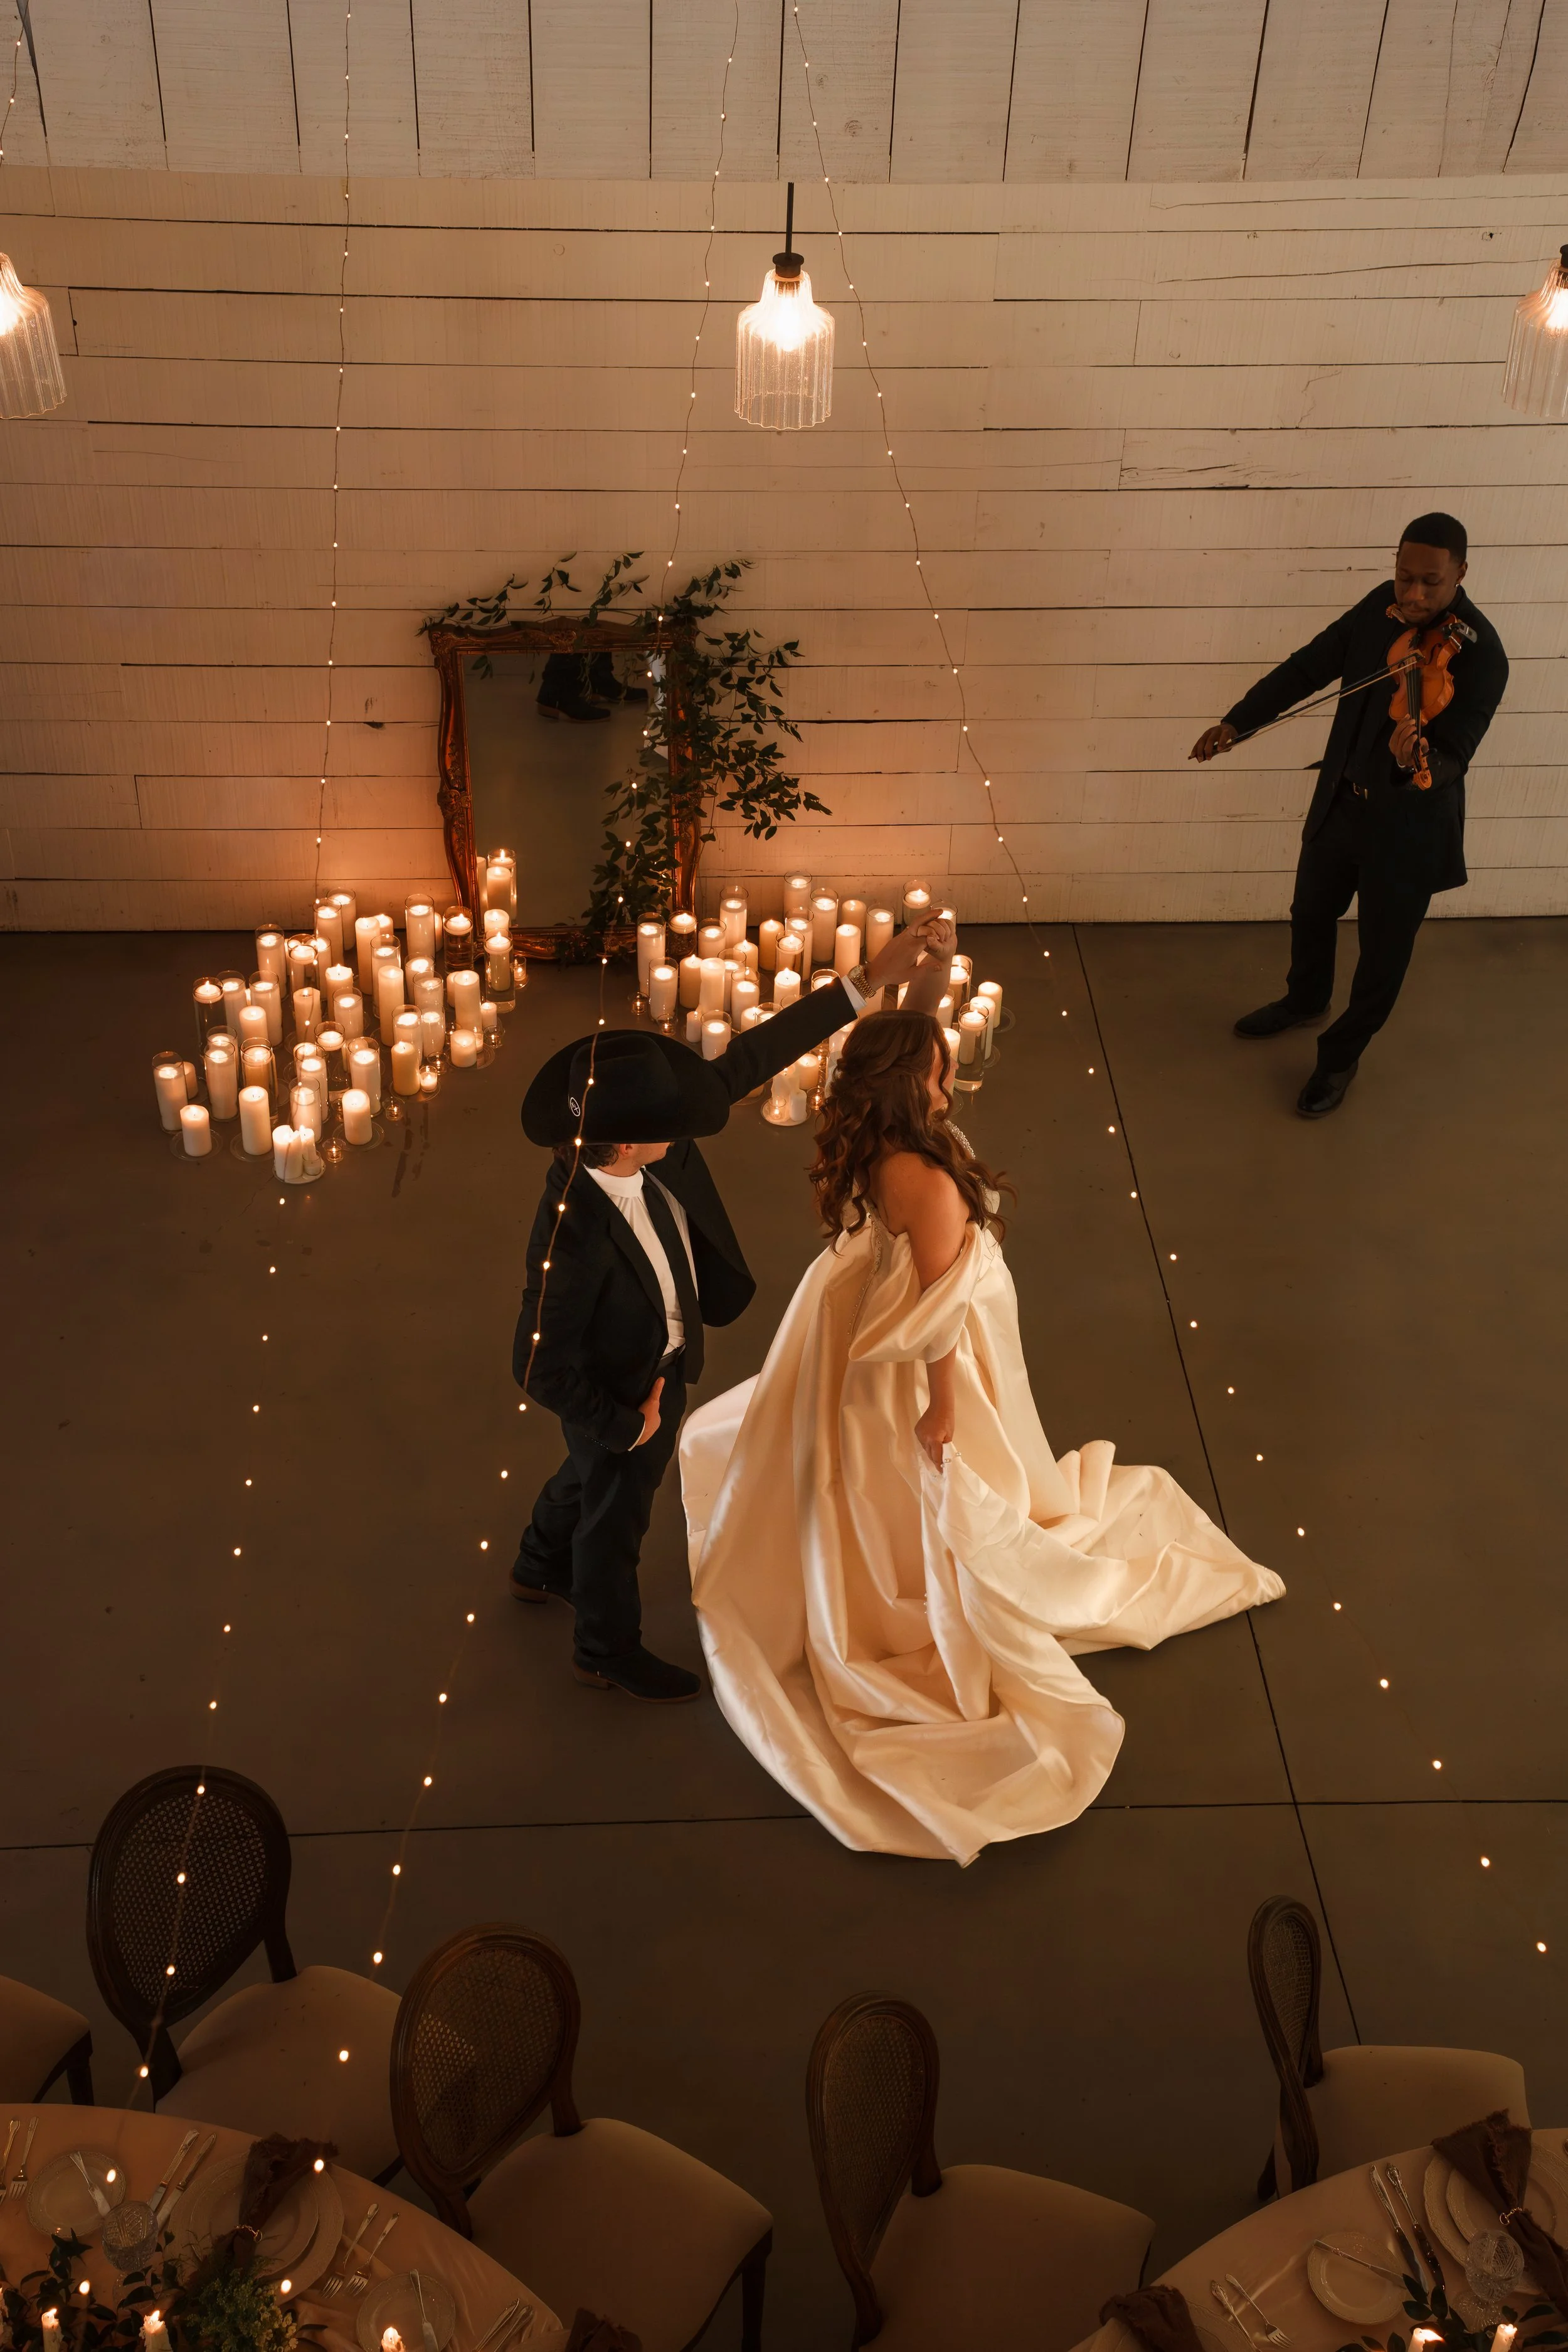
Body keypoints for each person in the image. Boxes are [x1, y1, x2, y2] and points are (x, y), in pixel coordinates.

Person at [678, 947, 1283, 1865]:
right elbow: (936, 1317)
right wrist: (945, 1409)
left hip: (854, 1317)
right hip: (934, 1361)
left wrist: (917, 973)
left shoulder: (881, 1140)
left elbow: (901, 1049)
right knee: (932, 1495)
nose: (952, 1066)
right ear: (922, 1078)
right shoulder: (926, 1173)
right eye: (941, 1060)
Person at [511, 913, 953, 1704]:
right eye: (670, 1123)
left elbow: (749, 1059)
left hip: (666, 1361)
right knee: (617, 1518)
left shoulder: (648, 1134)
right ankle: (603, 1649)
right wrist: (626, 1423)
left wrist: (870, 981)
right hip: (623, 1390)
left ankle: (537, 1563)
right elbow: (535, 1361)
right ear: (625, 1144)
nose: (691, 1118)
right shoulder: (570, 1236)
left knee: (588, 1478)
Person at [1190, 514, 1508, 1116]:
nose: (1413, 595)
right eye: (1404, 577)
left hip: (1409, 832)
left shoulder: (1482, 654)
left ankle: (1339, 1059)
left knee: (1382, 957)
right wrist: (1239, 720)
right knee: (1310, 911)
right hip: (1342, 805)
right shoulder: (1376, 611)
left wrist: (1421, 758)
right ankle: (1305, 1000)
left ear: (1461, 574)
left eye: (1431, 584)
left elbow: (1456, 754)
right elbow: (1308, 668)